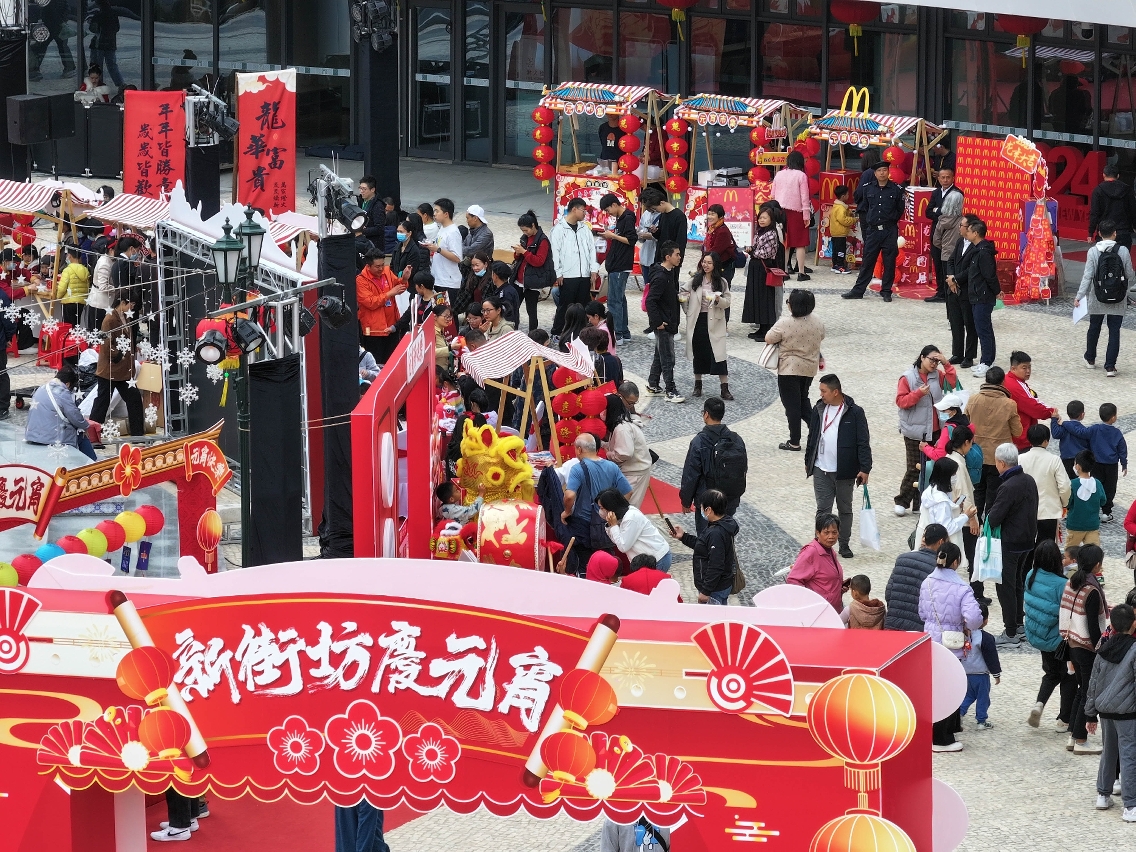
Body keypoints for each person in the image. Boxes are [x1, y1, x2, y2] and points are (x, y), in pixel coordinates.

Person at [920, 542, 983, 752]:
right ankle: (942, 738)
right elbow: (974, 618)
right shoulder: (962, 587)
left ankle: (933, 731)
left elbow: (922, 612)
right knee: (949, 689)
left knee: (933, 687)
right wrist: (963, 625)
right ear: (956, 562)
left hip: (929, 641)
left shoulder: (927, 582)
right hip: (951, 643)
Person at [804, 374, 872, 560]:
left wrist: (865, 468)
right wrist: (808, 460)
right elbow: (812, 436)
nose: (821, 394)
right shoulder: (819, 408)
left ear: (835, 392)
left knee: (845, 509)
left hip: (844, 471)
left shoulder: (855, 412)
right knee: (823, 509)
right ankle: (820, 544)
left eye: (823, 391)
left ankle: (844, 543)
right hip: (821, 469)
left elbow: (863, 441)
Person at [894, 345, 959, 517]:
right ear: (922, 357)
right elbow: (901, 401)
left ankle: (921, 503)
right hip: (915, 431)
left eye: (937, 361)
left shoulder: (937, 375)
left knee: (931, 468)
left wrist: (946, 363)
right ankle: (902, 501)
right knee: (914, 468)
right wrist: (917, 394)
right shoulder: (908, 377)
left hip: (936, 430)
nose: (934, 364)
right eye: (932, 360)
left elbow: (952, 383)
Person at [1085, 603, 1136, 819]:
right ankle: (1130, 805)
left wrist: (1090, 713)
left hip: (1105, 711)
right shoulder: (1134, 650)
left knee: (1109, 753)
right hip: (1128, 712)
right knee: (1129, 754)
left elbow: (1093, 683)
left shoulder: (1103, 650)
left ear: (1112, 626)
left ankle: (1103, 795)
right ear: (1133, 625)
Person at [986, 443, 1039, 645]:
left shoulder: (1008, 486)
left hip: (1010, 542)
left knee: (1005, 586)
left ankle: (1010, 632)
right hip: (1027, 540)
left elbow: (994, 518)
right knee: (1017, 582)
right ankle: (1018, 624)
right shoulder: (1029, 480)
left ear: (1001, 463)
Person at [1025, 539, 1079, 732]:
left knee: (1052, 672)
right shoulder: (1062, 584)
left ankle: (1039, 703)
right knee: (1069, 676)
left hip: (1038, 635)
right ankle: (1064, 720)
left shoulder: (1031, 575)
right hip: (1057, 639)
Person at [1061, 544, 1109, 755]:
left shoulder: (1072, 581)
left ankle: (1073, 735)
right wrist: (1101, 649)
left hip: (1072, 642)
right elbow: (1093, 627)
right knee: (1088, 693)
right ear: (1097, 565)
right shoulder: (1092, 590)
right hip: (1086, 647)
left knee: (1081, 690)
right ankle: (1080, 739)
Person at [562, 434, 632, 574]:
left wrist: (567, 512)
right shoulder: (612, 467)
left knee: (585, 564)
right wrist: (612, 511)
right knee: (606, 564)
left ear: (579, 449)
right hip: (605, 524)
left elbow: (569, 495)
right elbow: (628, 492)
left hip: (583, 524)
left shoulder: (577, 469)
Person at [765, 288, 824, 452]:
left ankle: (794, 441)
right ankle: (820, 432)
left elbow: (769, 338)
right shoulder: (817, 321)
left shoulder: (785, 323)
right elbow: (822, 336)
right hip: (809, 368)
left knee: (792, 407)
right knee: (803, 401)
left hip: (789, 369)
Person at [680, 397, 747, 534]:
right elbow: (743, 468)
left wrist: (686, 500)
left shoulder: (699, 441)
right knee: (725, 534)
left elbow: (691, 474)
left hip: (708, 500)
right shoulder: (736, 439)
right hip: (730, 499)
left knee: (706, 537)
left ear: (706, 414)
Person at [1077, 219, 1136, 376]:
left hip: (1098, 296)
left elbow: (1087, 276)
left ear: (1099, 234)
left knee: (1094, 327)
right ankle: (1110, 366)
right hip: (1118, 297)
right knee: (1114, 330)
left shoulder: (1093, 252)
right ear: (1115, 233)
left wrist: (1079, 296)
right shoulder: (1123, 251)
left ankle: (1090, 359)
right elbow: (1129, 274)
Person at [842, 160, 904, 302]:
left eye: (884, 170)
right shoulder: (868, 188)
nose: (882, 173)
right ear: (875, 173)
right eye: (879, 171)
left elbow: (900, 209)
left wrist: (890, 220)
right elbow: (864, 208)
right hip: (873, 231)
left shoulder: (896, 189)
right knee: (868, 261)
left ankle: (886, 291)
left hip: (889, 230)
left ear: (888, 172)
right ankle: (858, 290)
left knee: (889, 262)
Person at [966, 366, 1023, 520]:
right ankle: (990, 528)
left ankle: (973, 524)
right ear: (1003, 382)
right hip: (999, 458)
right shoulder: (1009, 404)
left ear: (986, 380)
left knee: (977, 493)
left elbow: (966, 425)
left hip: (976, 455)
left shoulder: (973, 399)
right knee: (994, 495)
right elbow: (1017, 431)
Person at [1056, 402, 1128, 520]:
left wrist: (1064, 423)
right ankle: (1106, 513)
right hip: (1111, 465)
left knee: (1094, 487)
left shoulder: (1094, 429)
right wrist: (1124, 463)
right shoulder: (1117, 433)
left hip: (1096, 464)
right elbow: (1122, 449)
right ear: (1113, 417)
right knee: (1110, 488)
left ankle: (1093, 510)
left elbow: (1080, 432)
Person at [669, 489, 738, 605]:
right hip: (719, 586)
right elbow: (703, 545)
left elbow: (716, 565)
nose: (700, 509)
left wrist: (706, 591)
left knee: (713, 616)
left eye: (701, 507)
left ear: (709, 510)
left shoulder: (716, 533)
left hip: (715, 590)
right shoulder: (721, 525)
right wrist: (684, 536)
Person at [681, 252, 733, 401]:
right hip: (698, 320)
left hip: (715, 321)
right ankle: (698, 385)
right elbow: (682, 293)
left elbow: (727, 301)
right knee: (699, 353)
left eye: (709, 263)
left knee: (719, 355)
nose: (706, 265)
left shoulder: (721, 282)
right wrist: (688, 309)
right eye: (704, 262)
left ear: (715, 264)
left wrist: (718, 300)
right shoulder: (695, 279)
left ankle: (724, 388)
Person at [949, 219, 999, 376]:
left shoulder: (983, 252)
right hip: (976, 295)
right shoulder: (978, 250)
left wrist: (997, 291)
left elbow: (989, 275)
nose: (967, 233)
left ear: (976, 233)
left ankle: (986, 362)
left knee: (983, 330)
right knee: (984, 328)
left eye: (969, 231)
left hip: (982, 296)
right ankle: (987, 360)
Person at [90, 293, 144, 436]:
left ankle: (138, 434)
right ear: (123, 302)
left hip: (123, 370)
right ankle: (92, 434)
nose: (132, 307)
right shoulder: (109, 319)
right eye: (131, 304)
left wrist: (132, 348)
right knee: (102, 403)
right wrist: (119, 355)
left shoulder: (126, 317)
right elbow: (106, 344)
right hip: (110, 369)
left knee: (134, 399)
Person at [549, 198, 599, 338]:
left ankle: (580, 332)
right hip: (568, 275)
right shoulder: (558, 229)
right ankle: (557, 332)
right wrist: (558, 272)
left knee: (583, 305)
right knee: (566, 305)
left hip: (584, 274)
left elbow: (592, 250)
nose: (585, 213)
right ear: (574, 209)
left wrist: (593, 269)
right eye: (583, 210)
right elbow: (555, 253)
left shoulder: (585, 229)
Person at [884, 524, 950, 631]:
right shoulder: (939, 569)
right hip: (921, 628)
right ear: (941, 542)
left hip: (894, 624)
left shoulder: (902, 559)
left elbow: (888, 592)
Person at [913, 457, 979, 560]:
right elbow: (947, 528)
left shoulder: (930, 490)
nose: (955, 477)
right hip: (934, 545)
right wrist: (966, 516)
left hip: (924, 535)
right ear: (946, 476)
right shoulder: (942, 502)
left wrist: (952, 505)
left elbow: (935, 513)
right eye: (953, 474)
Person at [25, 366, 96, 460]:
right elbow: (74, 415)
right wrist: (85, 426)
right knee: (81, 433)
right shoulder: (62, 392)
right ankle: (92, 462)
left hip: (33, 434)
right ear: (67, 384)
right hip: (52, 438)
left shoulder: (41, 388)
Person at [644, 241, 684, 403]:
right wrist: (658, 322)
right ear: (668, 257)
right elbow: (650, 301)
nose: (680, 257)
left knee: (659, 354)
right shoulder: (661, 277)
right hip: (664, 323)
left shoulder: (669, 272)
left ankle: (653, 383)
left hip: (669, 320)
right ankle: (670, 390)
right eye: (677, 254)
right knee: (668, 357)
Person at [596, 488, 672, 572]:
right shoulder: (620, 517)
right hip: (644, 560)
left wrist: (614, 526)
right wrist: (610, 525)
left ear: (610, 507)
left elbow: (623, 546)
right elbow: (617, 540)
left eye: (602, 508)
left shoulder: (631, 517)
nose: (600, 511)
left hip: (657, 559)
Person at [1019, 424, 1071, 544]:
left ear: (1029, 440)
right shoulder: (1054, 460)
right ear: (1046, 441)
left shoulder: (1020, 459)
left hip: (1026, 510)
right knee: (1046, 547)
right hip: (1049, 511)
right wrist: (1064, 503)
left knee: (1026, 547)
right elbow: (1064, 486)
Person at [742, 205, 786, 340]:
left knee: (765, 298)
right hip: (755, 267)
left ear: (771, 219)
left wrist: (752, 251)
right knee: (756, 297)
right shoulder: (759, 232)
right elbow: (756, 248)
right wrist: (751, 249)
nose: (761, 220)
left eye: (765, 218)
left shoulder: (772, 233)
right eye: (760, 217)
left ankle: (767, 329)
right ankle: (761, 328)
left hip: (764, 268)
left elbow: (766, 253)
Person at [597, 193, 636, 344]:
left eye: (608, 210)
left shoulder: (627, 217)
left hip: (620, 265)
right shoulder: (622, 218)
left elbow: (631, 240)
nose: (608, 213)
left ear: (614, 205)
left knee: (614, 300)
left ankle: (617, 333)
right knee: (620, 299)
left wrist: (612, 236)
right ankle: (624, 332)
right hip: (617, 264)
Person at [787, 513, 845, 611]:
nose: (831, 536)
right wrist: (809, 603)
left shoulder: (830, 551)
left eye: (834, 532)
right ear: (818, 533)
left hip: (833, 610)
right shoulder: (810, 552)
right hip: (818, 611)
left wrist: (839, 587)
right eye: (826, 533)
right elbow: (793, 580)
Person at [356, 250, 406, 365]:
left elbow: (399, 286)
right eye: (377, 266)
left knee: (392, 362)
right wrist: (389, 294)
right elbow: (370, 302)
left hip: (392, 326)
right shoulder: (360, 280)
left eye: (382, 265)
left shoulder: (387, 271)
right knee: (376, 363)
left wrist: (404, 279)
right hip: (374, 331)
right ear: (368, 266)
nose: (381, 268)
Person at [943, 213, 979, 368]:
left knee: (970, 324)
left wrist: (956, 279)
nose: (959, 227)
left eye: (962, 225)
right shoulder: (959, 241)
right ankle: (957, 353)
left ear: (970, 228)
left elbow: (971, 269)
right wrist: (951, 278)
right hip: (953, 289)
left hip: (967, 290)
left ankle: (969, 356)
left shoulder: (977, 246)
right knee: (955, 322)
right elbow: (951, 261)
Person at [958, 603, 1002, 731]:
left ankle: (959, 714)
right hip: (981, 675)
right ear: (985, 621)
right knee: (983, 698)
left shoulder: (962, 634)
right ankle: (981, 721)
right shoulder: (986, 638)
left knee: (968, 696)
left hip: (964, 672)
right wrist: (996, 674)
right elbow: (992, 657)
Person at [1003, 351, 1058, 451]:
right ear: (1013, 368)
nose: (1028, 371)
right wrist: (1051, 412)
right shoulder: (1016, 386)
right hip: (1021, 439)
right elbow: (1033, 407)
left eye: (1029, 367)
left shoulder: (1007, 379)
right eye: (1024, 368)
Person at [602, 392, 649, 507]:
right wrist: (603, 444)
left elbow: (625, 453)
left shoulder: (621, 428)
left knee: (626, 508)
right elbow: (620, 444)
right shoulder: (620, 423)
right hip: (632, 470)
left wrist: (609, 454)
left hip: (635, 472)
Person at [772, 150, 813, 282]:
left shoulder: (779, 174)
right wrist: (806, 215)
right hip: (797, 212)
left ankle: (784, 271)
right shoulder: (801, 175)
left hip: (780, 211)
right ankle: (801, 272)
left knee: (785, 242)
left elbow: (772, 194)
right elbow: (804, 197)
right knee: (800, 243)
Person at [926, 167, 964, 303]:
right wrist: (939, 215)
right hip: (937, 231)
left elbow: (952, 213)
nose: (945, 180)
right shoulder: (936, 192)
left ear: (953, 178)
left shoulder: (957, 193)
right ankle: (940, 291)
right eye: (943, 177)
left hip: (951, 233)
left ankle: (950, 292)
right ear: (938, 178)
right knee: (937, 262)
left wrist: (938, 212)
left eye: (948, 177)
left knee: (949, 264)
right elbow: (928, 212)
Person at [514, 210, 553, 332]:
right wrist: (517, 253)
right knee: (513, 308)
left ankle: (533, 335)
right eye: (522, 231)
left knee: (531, 311)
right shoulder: (525, 238)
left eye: (526, 230)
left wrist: (524, 252)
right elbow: (518, 258)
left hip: (533, 281)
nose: (525, 233)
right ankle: (512, 331)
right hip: (519, 279)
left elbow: (539, 261)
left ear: (533, 225)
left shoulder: (543, 240)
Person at [1065, 450, 1107, 548]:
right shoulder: (1097, 483)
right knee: (1093, 552)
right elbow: (1103, 501)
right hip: (1092, 525)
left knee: (1070, 551)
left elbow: (1068, 502)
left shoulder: (1073, 484)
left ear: (1077, 466)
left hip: (1075, 525)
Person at [1089, 164, 1136, 247]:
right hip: (1123, 230)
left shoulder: (1098, 191)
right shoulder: (1127, 189)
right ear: (1118, 176)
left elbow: (1094, 213)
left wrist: (1091, 232)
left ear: (1104, 175)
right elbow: (1133, 210)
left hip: (1105, 232)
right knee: (1123, 254)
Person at [640, 186, 688, 262]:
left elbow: (681, 242)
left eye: (655, 208)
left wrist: (677, 261)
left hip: (671, 260)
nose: (655, 211)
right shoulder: (663, 214)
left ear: (662, 203)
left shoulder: (679, 216)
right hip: (660, 257)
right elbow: (661, 236)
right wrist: (655, 231)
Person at [428, 198, 463, 295]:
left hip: (448, 282)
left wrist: (438, 249)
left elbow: (457, 258)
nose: (434, 214)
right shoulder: (443, 228)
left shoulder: (453, 232)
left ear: (446, 214)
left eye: (437, 211)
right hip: (438, 279)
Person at [87, 0, 124, 89]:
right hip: (111, 43)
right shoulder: (113, 14)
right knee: (112, 65)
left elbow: (93, 29)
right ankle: (120, 83)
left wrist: (91, 22)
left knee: (96, 66)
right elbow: (117, 28)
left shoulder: (98, 15)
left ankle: (97, 84)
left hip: (98, 44)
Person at [1052, 399, 1089, 482]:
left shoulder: (1064, 428)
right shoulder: (1083, 430)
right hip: (1081, 460)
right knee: (1079, 482)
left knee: (1067, 482)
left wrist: (1054, 419)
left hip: (1066, 459)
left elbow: (1055, 434)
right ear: (1082, 415)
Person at [702, 205, 740, 282]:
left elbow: (715, 251)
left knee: (721, 288)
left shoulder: (723, 231)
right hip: (713, 265)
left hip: (723, 268)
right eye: (709, 214)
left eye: (713, 214)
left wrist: (702, 264)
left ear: (720, 216)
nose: (709, 217)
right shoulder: (712, 228)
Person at [56, 246, 90, 329]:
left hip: (68, 301)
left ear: (70, 256)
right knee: (76, 326)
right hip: (81, 302)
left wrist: (58, 296)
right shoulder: (85, 270)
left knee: (67, 327)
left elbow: (62, 288)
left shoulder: (67, 270)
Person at [87, 239, 117, 332]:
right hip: (100, 303)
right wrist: (118, 288)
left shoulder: (110, 260)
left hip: (104, 302)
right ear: (111, 250)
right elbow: (103, 287)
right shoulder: (105, 263)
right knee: (98, 332)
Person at [827, 186, 856, 275]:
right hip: (840, 233)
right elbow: (843, 220)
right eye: (847, 194)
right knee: (841, 251)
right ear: (843, 196)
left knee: (835, 250)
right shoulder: (841, 208)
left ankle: (835, 265)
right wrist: (854, 220)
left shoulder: (836, 206)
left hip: (835, 232)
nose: (848, 196)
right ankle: (840, 266)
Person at [391, 213, 427, 283]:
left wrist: (400, 276)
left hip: (409, 283)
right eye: (398, 231)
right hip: (395, 281)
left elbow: (411, 271)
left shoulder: (414, 249)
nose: (399, 233)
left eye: (401, 232)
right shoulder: (397, 247)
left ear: (409, 233)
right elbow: (392, 265)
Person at [356, 176, 385, 253]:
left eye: (364, 189)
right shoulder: (361, 200)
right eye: (360, 188)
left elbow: (379, 229)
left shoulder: (378, 206)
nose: (361, 191)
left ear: (372, 189)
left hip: (373, 245)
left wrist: (362, 231)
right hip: (363, 241)